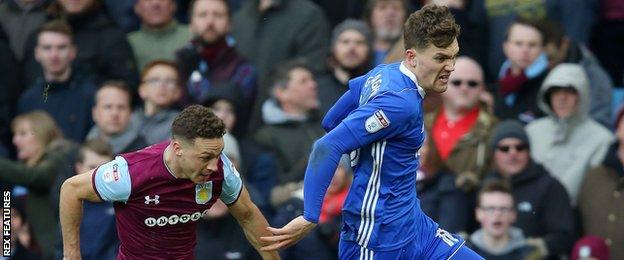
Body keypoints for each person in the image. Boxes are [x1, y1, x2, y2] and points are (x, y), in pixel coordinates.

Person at [260, 5, 482, 259]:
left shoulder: (384, 73)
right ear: (411, 57)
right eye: (441, 58)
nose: (451, 66)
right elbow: (327, 145)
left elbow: (332, 119)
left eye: (453, 56)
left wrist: (358, 142)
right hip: (377, 238)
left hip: (415, 227)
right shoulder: (400, 104)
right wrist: (310, 216)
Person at [59, 105, 279, 259]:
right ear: (177, 148)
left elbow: (249, 215)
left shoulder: (221, 171)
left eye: (218, 154)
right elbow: (71, 189)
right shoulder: (130, 173)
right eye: (205, 157)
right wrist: (72, 256)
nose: (214, 165)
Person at [526, 63, 614, 205]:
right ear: (547, 95)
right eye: (556, 91)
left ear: (582, 95)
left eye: (569, 91)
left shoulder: (602, 139)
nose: (562, 98)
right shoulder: (532, 131)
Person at [487, 120, 576, 258]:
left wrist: (541, 248)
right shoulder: (485, 185)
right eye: (505, 148)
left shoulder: (550, 186)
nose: (513, 153)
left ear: (528, 151)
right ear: (494, 154)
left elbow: (566, 234)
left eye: (520, 147)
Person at [0, 111, 76, 260]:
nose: (15, 141)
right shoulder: (25, 167)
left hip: (52, 253)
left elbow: (37, 177)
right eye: (15, 135)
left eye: (22, 134)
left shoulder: (58, 158)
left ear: (42, 133)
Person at [18, 19, 97, 143]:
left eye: (61, 47)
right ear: (37, 53)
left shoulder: (90, 95)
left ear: (72, 52)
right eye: (47, 48)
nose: (54, 55)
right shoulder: (28, 100)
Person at [467, 181, 540, 259]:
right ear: (478, 213)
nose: (497, 213)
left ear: (513, 214)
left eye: (504, 209)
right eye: (490, 208)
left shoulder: (531, 255)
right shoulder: (464, 251)